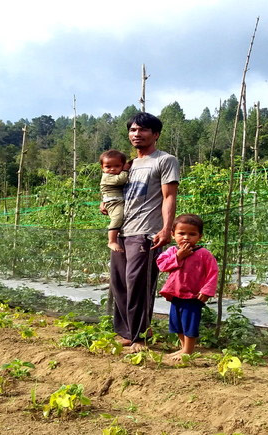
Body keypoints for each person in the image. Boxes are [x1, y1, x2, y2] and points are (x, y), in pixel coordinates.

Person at [105, 112, 179, 351]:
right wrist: (105, 202)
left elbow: (169, 197)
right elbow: (112, 188)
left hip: (146, 231)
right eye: (133, 130)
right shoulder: (128, 164)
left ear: (155, 134)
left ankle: (139, 337)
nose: (137, 134)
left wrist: (167, 228)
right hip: (123, 232)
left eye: (143, 130)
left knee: (137, 283)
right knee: (120, 283)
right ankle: (126, 331)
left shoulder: (164, 160)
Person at [157, 214, 218, 362]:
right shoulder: (172, 252)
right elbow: (161, 265)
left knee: (189, 324)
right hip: (176, 294)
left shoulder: (204, 254)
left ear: (200, 236)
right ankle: (184, 348)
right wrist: (178, 256)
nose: (186, 237)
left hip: (193, 296)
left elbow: (213, 272)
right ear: (173, 235)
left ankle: (188, 351)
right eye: (181, 233)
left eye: (192, 234)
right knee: (177, 324)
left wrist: (206, 290)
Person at [99, 150, 131, 252]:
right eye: (108, 167)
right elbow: (120, 180)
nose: (112, 169)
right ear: (102, 168)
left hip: (117, 201)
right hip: (113, 202)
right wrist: (125, 170)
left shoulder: (112, 174)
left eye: (117, 166)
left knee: (121, 217)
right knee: (117, 217)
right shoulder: (107, 177)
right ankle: (111, 241)